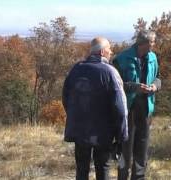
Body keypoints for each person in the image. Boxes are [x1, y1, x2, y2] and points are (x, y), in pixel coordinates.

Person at [62, 37, 128, 180]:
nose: (111, 52)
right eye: (109, 49)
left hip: (80, 130)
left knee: (81, 170)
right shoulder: (110, 72)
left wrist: (75, 117)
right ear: (103, 52)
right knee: (103, 168)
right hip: (103, 132)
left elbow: (66, 98)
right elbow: (120, 108)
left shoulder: (76, 69)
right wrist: (122, 136)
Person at [113, 30, 161, 180]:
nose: (153, 46)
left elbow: (158, 78)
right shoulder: (122, 58)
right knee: (125, 151)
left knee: (142, 150)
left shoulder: (153, 57)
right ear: (142, 43)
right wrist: (135, 87)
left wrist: (154, 86)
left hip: (146, 110)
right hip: (128, 111)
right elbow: (114, 85)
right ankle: (122, 177)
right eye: (151, 43)